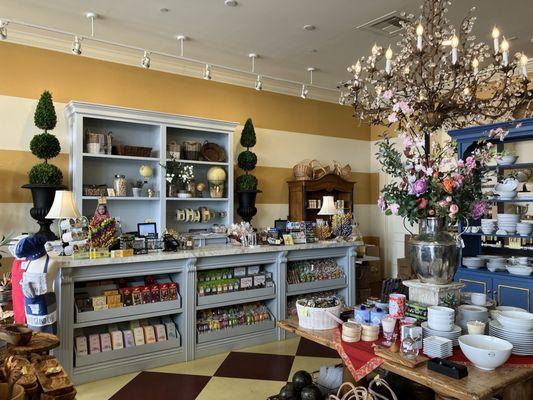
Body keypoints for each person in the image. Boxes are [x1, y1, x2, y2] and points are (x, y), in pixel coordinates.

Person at [15, 235, 58, 334]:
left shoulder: (52, 263)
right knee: (32, 338)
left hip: (45, 310)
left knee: (47, 339)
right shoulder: (30, 263)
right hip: (30, 313)